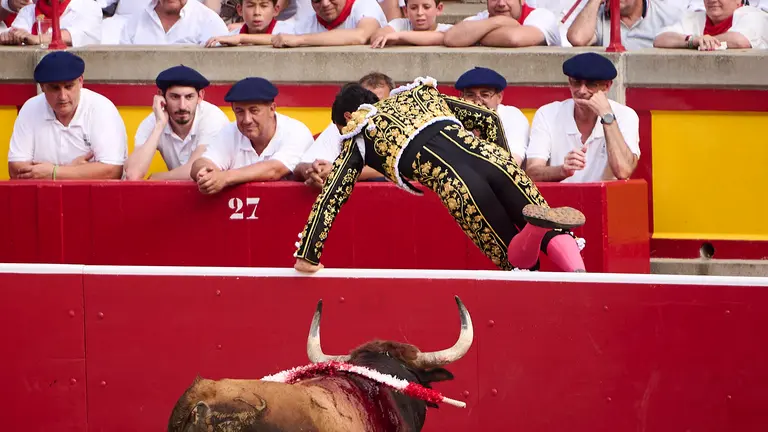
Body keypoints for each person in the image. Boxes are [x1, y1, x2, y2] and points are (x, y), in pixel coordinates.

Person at [292, 77, 588, 274]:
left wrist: (308, 256)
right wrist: (498, 156)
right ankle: (582, 279)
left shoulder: (358, 135)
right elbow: (487, 117)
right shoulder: (417, 95)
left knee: (518, 262)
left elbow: (331, 197)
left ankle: (533, 231)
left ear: (348, 117)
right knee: (554, 230)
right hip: (497, 161)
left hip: (459, 186)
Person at [124, 65, 230, 181]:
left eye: (189, 97)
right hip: (182, 193)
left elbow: (197, 171)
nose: (182, 106)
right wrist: (159, 126)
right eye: (175, 97)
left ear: (200, 96)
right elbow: (133, 174)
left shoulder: (213, 118)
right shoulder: (154, 120)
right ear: (161, 96)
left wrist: (156, 178)